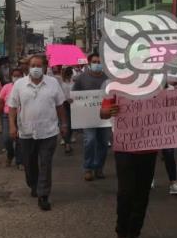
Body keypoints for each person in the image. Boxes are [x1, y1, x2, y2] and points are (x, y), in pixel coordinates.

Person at [8, 55, 67, 211]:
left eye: (39, 65)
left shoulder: (53, 83)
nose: (35, 68)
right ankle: (33, 184)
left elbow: (60, 105)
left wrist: (64, 124)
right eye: (33, 65)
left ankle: (43, 194)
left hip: (48, 131)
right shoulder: (19, 84)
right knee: (29, 163)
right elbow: (12, 107)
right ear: (28, 67)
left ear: (45, 67)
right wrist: (12, 126)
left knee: (45, 163)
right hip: (26, 132)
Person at [101, 95, 156, 238]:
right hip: (125, 148)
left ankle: (134, 234)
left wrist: (176, 105)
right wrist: (108, 110)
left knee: (143, 192)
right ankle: (122, 234)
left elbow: (167, 106)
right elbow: (103, 113)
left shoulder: (156, 87)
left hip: (149, 147)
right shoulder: (115, 87)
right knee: (126, 192)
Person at [72, 53, 110, 181]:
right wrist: (72, 100)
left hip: (105, 118)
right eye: (94, 61)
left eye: (99, 62)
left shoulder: (108, 78)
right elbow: (74, 94)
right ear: (89, 63)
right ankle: (88, 168)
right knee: (90, 140)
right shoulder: (81, 78)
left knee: (104, 143)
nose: (97, 64)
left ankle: (99, 167)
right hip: (88, 117)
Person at [0, 67, 25, 168]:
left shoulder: (25, 87)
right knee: (7, 139)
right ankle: (10, 153)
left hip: (21, 116)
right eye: (14, 76)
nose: (16, 78)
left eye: (18, 76)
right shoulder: (6, 87)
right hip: (7, 116)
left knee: (20, 139)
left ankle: (19, 161)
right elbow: (0, 102)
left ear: (22, 76)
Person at [60, 67, 74, 154]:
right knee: (66, 124)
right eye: (67, 74)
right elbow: (60, 95)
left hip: (73, 105)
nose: (69, 76)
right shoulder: (61, 84)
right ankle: (67, 143)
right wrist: (66, 99)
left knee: (72, 124)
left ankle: (68, 140)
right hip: (64, 104)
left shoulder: (74, 82)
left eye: (70, 74)